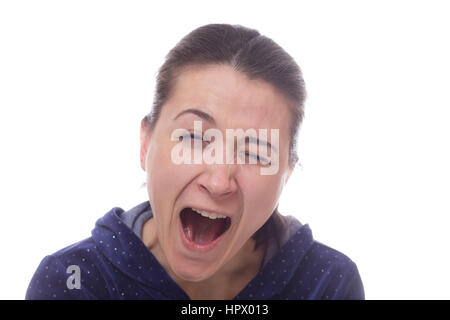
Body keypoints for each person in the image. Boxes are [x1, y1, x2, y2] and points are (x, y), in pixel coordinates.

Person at [26, 24, 364, 300]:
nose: (219, 181)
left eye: (256, 153)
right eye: (194, 138)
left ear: (286, 173)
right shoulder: (72, 282)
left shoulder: (329, 285)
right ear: (146, 143)